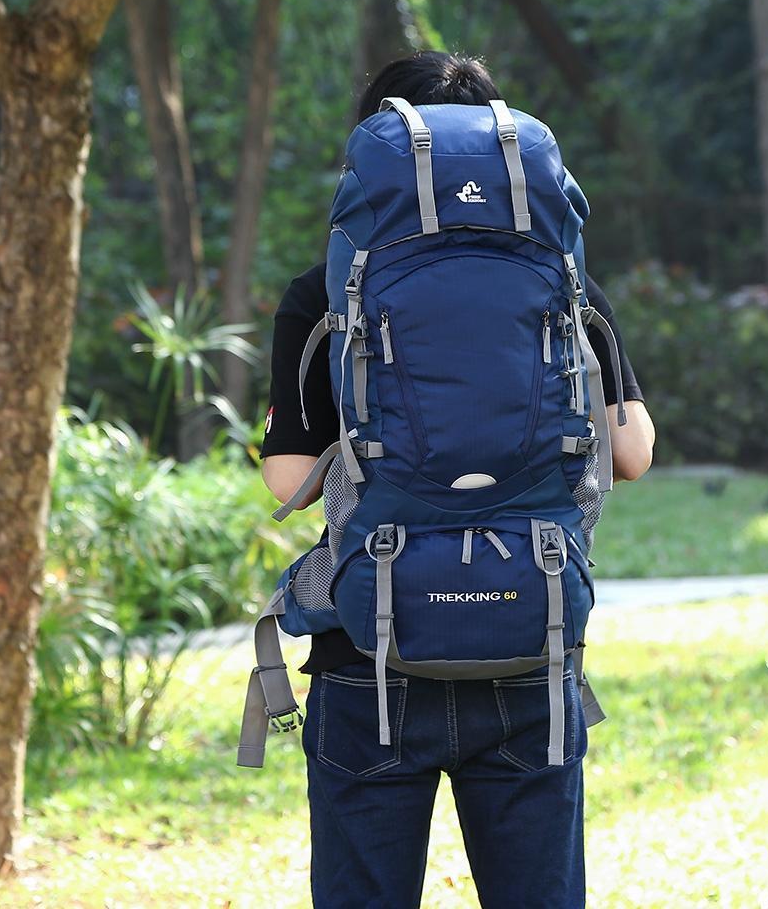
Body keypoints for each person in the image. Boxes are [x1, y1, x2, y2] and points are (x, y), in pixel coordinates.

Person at [259, 51, 656, 909]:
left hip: (366, 648)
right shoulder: (562, 279)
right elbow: (631, 454)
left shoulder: (322, 293)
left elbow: (286, 477)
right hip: (530, 631)